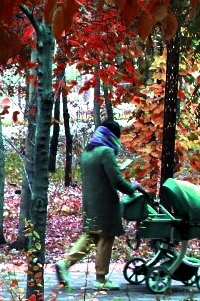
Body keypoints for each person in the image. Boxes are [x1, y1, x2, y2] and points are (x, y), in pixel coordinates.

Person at [54, 119, 140, 290]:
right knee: (106, 237)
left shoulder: (88, 152)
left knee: (91, 235)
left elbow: (100, 174)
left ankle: (64, 263)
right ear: (114, 135)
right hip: (105, 203)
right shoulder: (106, 152)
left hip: (90, 201)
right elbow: (116, 181)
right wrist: (132, 188)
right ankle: (101, 279)